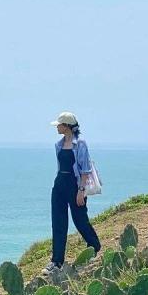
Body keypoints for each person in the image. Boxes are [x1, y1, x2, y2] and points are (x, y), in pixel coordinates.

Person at [42, 111, 101, 277]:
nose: (57, 127)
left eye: (59, 125)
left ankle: (95, 247)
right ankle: (56, 261)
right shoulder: (58, 144)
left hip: (75, 186)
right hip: (59, 184)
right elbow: (61, 167)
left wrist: (81, 191)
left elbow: (85, 170)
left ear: (67, 126)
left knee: (80, 220)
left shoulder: (80, 144)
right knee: (58, 223)